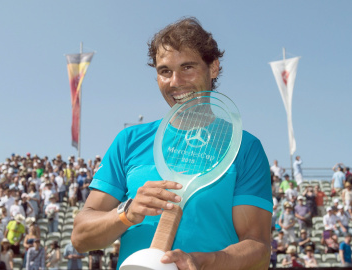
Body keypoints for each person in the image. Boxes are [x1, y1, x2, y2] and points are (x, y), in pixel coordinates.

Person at [72, 17, 273, 269]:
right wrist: (126, 212)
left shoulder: (245, 147)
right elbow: (80, 238)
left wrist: (205, 261)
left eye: (187, 67)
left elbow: (259, 249)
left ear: (214, 68)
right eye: (164, 71)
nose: (175, 82)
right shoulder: (129, 141)